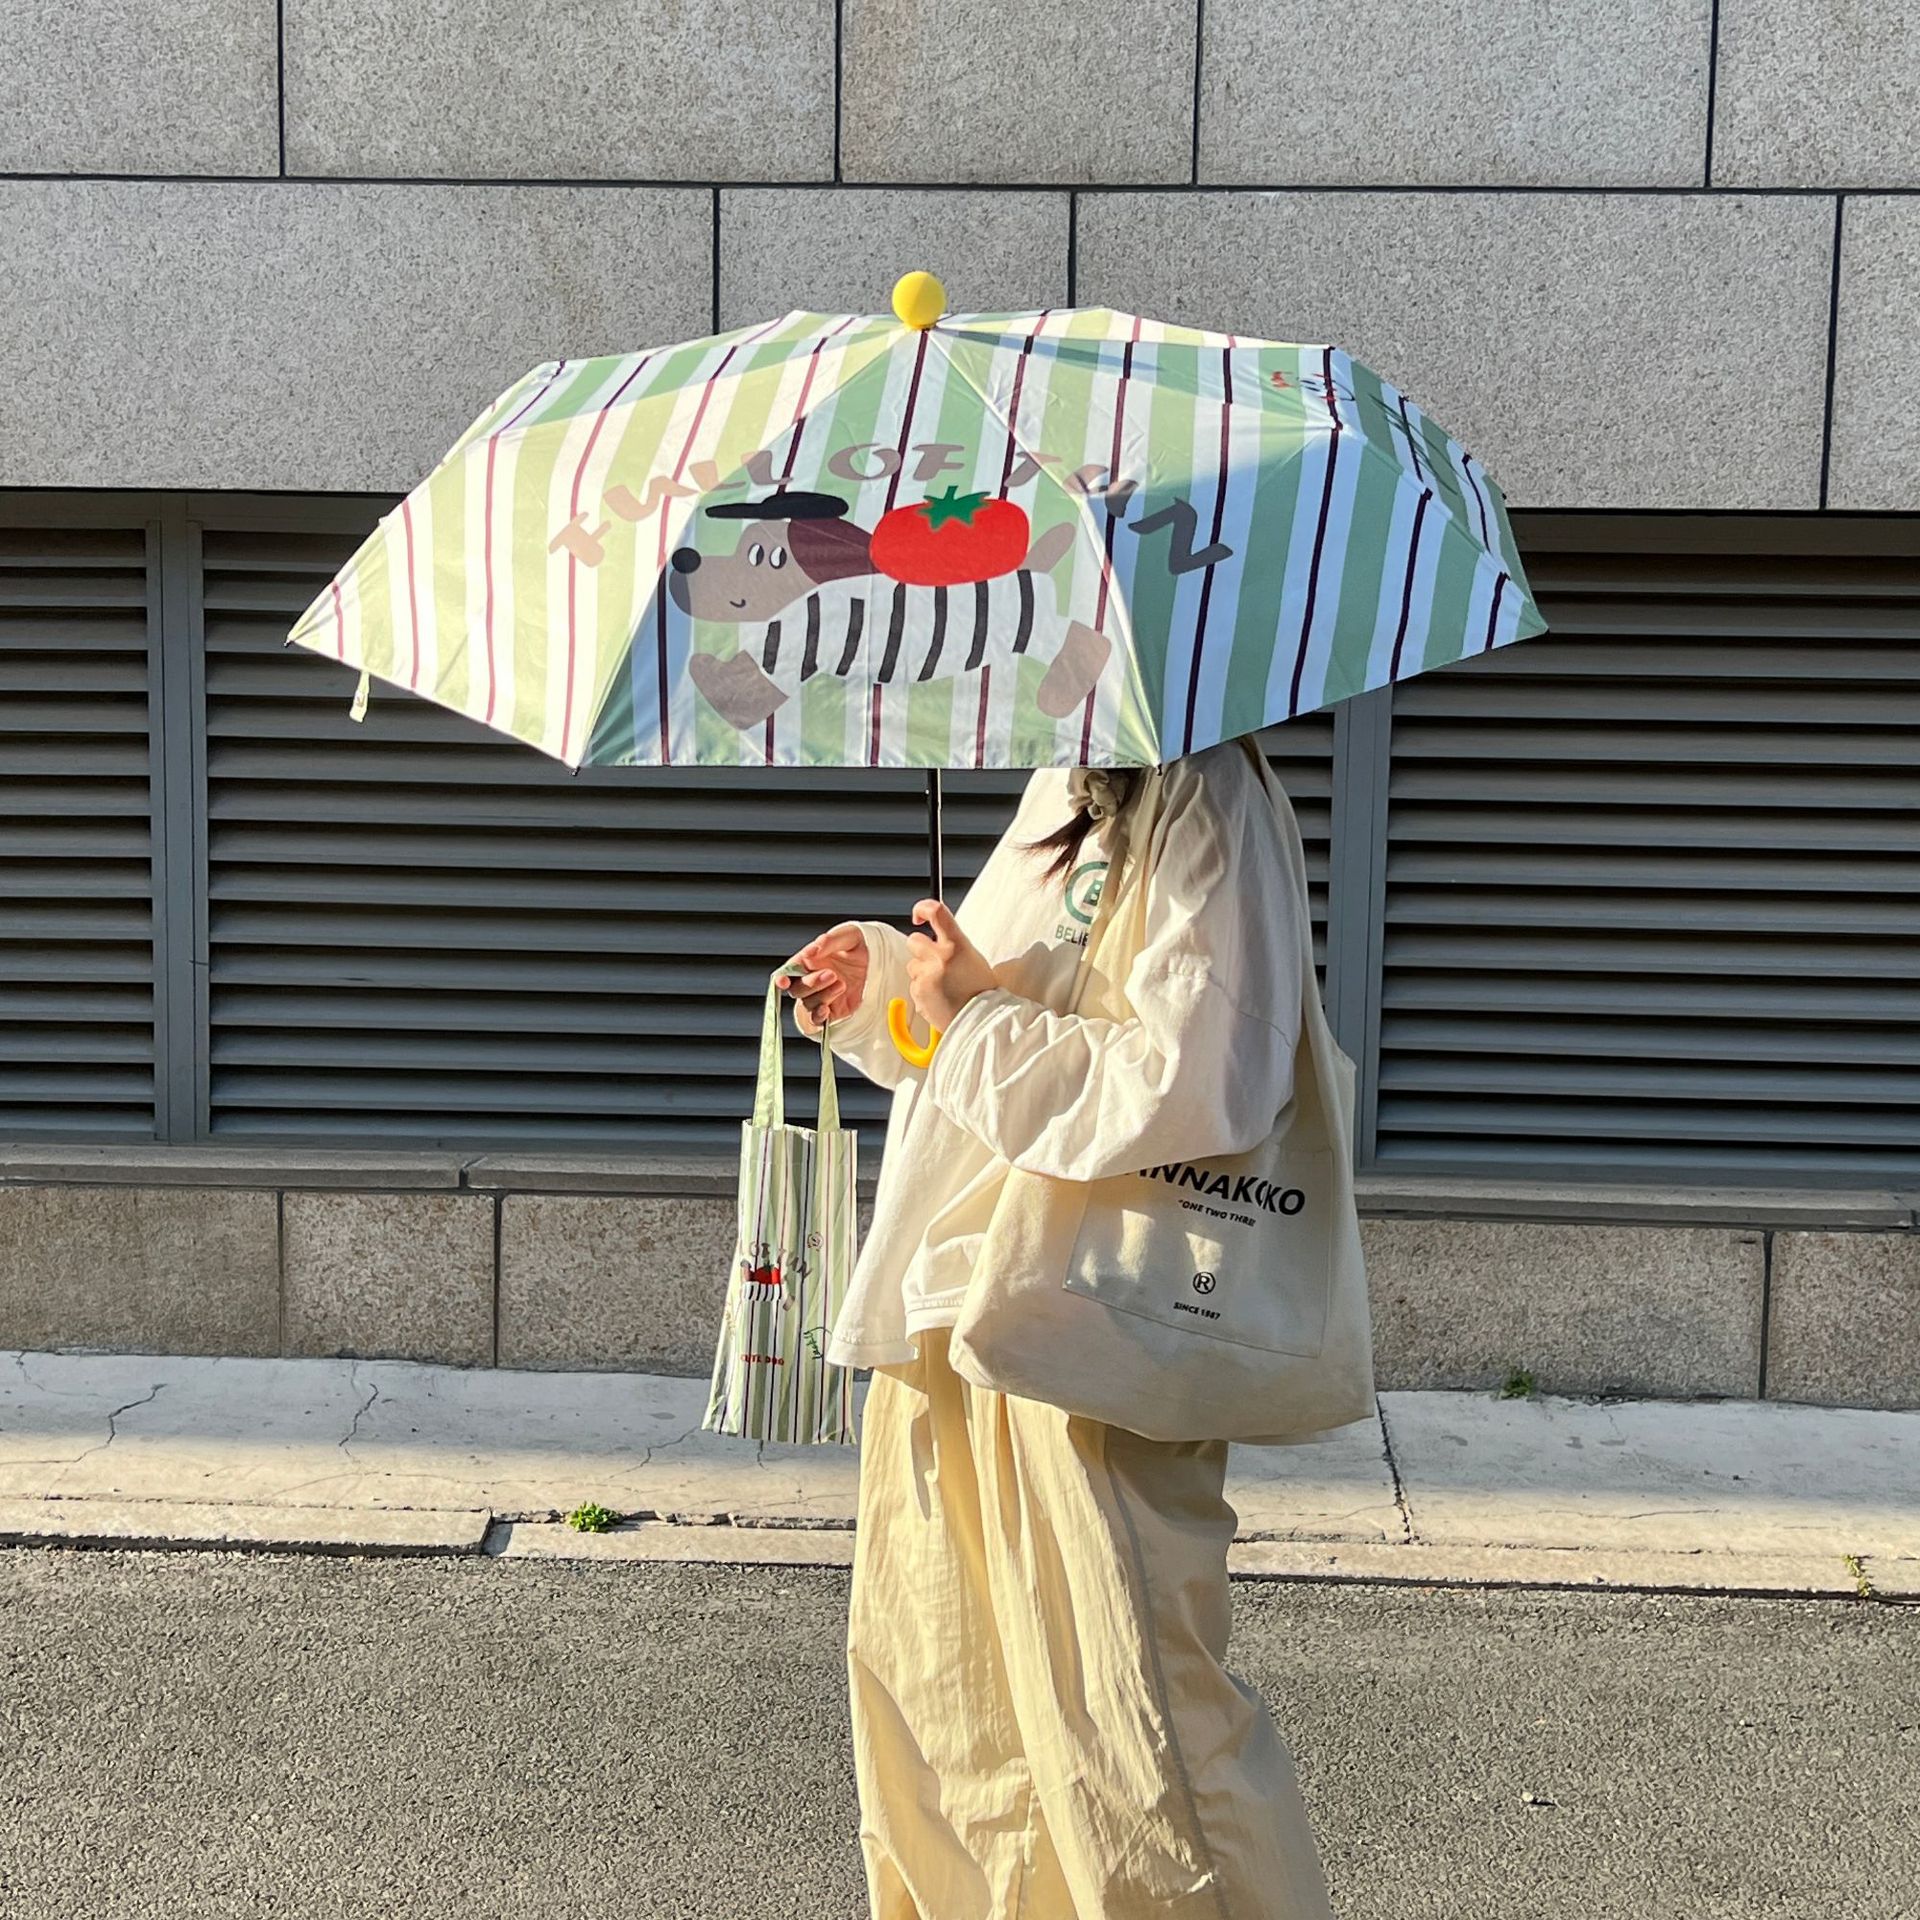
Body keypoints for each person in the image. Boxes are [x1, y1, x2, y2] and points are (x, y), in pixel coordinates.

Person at [783, 740, 1337, 1920]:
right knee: (954, 1719)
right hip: (957, 1305)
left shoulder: (1206, 793)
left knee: (1137, 1739)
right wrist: (888, 988)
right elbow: (1003, 1027)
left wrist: (972, 1018)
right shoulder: (1066, 790)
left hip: (1089, 1331)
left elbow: (1203, 1081)